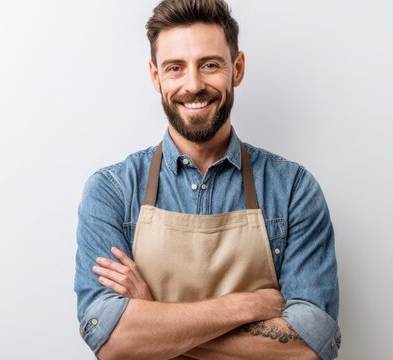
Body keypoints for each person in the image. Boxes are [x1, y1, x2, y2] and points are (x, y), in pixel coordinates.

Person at [73, 0, 341, 359]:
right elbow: (113, 342)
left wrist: (154, 317)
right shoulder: (112, 190)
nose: (193, 85)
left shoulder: (292, 189)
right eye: (175, 68)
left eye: (210, 65)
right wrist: (248, 305)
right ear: (156, 77)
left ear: (237, 68)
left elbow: (310, 345)